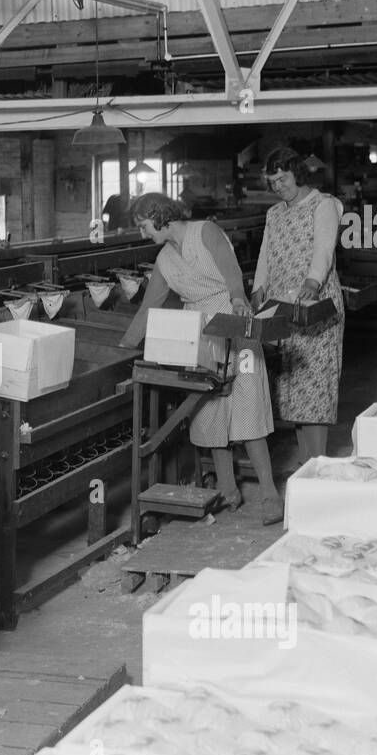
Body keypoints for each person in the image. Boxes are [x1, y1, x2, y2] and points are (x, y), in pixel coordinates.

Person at [120, 193, 283, 525]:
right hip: (198, 334)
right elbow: (149, 305)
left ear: (159, 216)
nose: (142, 233)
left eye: (143, 225)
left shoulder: (205, 232)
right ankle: (228, 490)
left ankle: (270, 495)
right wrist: (125, 347)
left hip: (233, 322)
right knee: (208, 410)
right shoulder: (165, 259)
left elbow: (231, 272)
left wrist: (239, 301)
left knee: (247, 409)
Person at [250, 147, 345, 466]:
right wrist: (257, 289)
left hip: (314, 306)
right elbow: (265, 254)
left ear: (298, 174)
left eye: (283, 178)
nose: (279, 186)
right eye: (272, 181)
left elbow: (323, 251)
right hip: (281, 307)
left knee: (314, 387)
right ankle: (307, 464)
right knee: (290, 390)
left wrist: (312, 283)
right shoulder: (274, 213)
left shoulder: (324, 204)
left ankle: (316, 465)